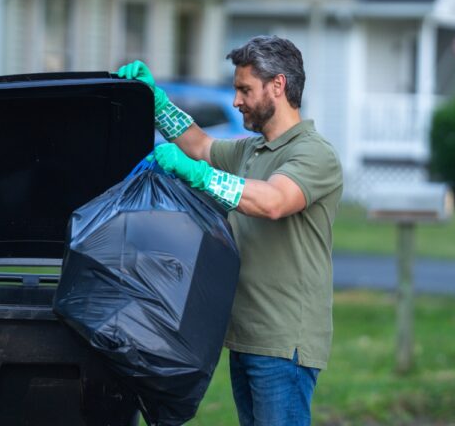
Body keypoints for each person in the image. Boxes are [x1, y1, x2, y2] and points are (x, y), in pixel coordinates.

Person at [116, 35, 343, 426]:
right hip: (245, 336)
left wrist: (202, 177)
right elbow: (200, 145)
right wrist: (155, 101)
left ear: (278, 86)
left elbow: (272, 201)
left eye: (244, 89)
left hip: (284, 342)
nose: (236, 100)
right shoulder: (250, 151)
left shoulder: (313, 153)